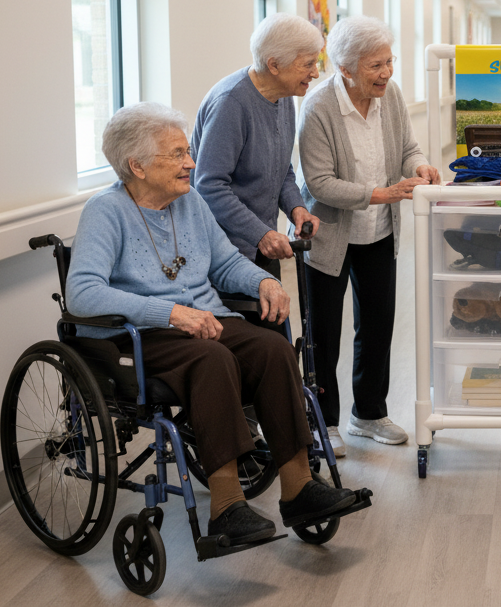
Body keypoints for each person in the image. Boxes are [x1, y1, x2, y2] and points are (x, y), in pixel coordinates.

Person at [66, 103, 356, 546]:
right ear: (137, 166)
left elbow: (224, 262)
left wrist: (263, 281)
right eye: (177, 154)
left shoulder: (190, 202)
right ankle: (226, 505)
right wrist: (169, 313)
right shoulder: (105, 211)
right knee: (212, 360)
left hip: (204, 319)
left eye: (188, 151)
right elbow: (83, 294)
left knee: (272, 348)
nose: (190, 163)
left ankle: (299, 488)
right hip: (138, 335)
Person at [298, 15, 440, 454]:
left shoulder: (389, 95)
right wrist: (384, 194)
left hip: (379, 232)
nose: (386, 73)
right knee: (324, 335)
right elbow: (319, 183)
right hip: (329, 236)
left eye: (389, 61)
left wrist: (419, 166)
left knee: (377, 327)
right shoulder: (318, 108)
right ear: (345, 68)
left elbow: (407, 147)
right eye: (375, 65)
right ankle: (324, 423)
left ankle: (369, 414)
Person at [191, 13, 323, 279]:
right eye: (308, 64)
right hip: (226, 254)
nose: (315, 72)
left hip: (262, 244)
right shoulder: (230, 103)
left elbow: (280, 168)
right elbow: (209, 185)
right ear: (274, 65)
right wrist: (261, 234)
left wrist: (296, 208)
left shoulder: (284, 96)